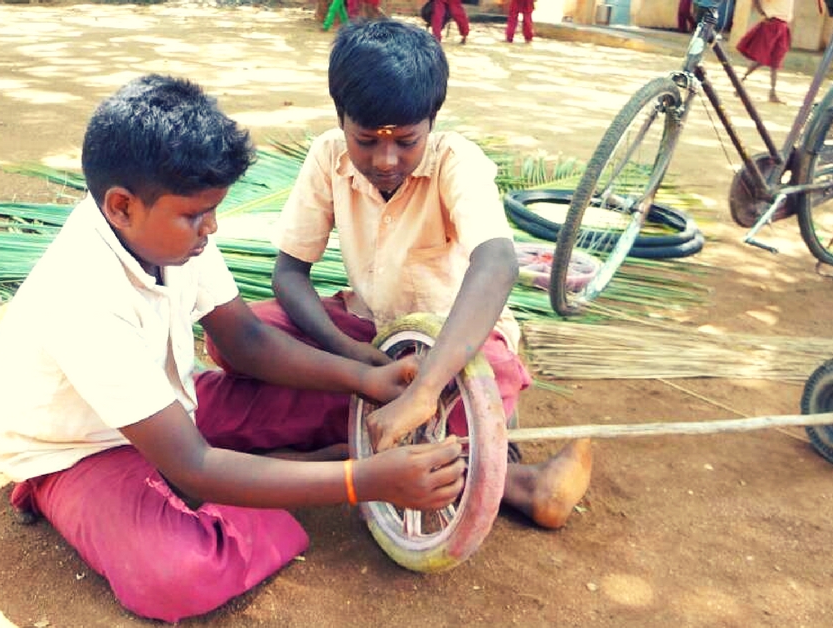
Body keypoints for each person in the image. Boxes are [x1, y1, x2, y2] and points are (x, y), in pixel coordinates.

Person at [0, 74, 468, 623]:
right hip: (79, 451)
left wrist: (364, 378)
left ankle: (281, 471)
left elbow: (245, 340)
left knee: (349, 406)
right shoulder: (81, 294)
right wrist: (359, 483)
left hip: (171, 408)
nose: (211, 227)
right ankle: (61, 494)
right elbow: (192, 464)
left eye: (213, 210)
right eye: (196, 215)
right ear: (121, 206)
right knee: (181, 571)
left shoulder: (167, 231)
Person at [203, 19, 593, 533]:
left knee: (491, 370)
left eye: (406, 142)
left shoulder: (458, 162)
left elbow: (497, 261)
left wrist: (427, 387)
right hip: (362, 337)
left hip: (448, 348)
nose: (385, 160)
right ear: (342, 119)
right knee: (232, 343)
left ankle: (360, 445)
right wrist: (349, 355)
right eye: (365, 141)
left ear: (432, 121)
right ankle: (496, 470)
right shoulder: (327, 157)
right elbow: (289, 275)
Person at [736, 0, 793, 104]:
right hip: (772, 23)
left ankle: (772, 93)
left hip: (783, 25)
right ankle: (740, 84)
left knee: (776, 61)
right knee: (761, 59)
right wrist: (763, 13)